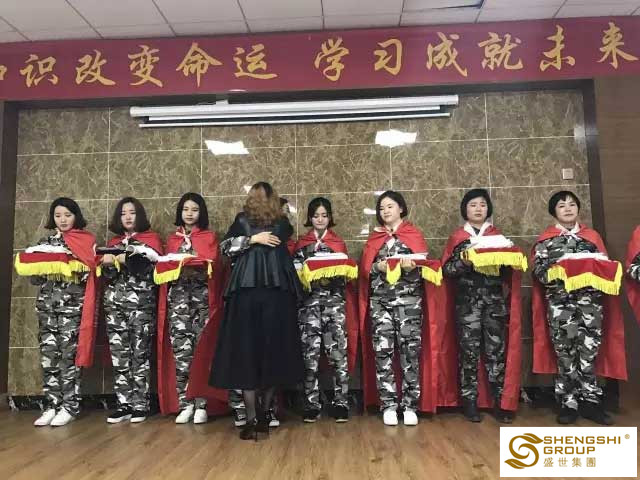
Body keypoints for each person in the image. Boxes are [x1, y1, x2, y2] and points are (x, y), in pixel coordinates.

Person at [210, 182, 304, 440]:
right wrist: (253, 239)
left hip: (264, 292)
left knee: (266, 350)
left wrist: (249, 239)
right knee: (252, 351)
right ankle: (257, 416)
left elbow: (277, 234)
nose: (260, 199)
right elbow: (224, 249)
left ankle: (258, 416)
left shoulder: (279, 222)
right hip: (256, 292)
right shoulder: (247, 221)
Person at [532, 191, 626, 425]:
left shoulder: (592, 237)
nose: (567, 209)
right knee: (565, 353)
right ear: (554, 211)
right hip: (561, 307)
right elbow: (539, 273)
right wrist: (562, 269)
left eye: (572, 204)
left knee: (589, 353)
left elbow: (604, 269)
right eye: (562, 205)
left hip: (590, 306)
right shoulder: (546, 241)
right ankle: (568, 402)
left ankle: (590, 401)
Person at [441, 189, 521, 423]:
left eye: (482, 204)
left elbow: (508, 272)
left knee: (496, 352)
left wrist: (508, 256)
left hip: (494, 304)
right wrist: (465, 261)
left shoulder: (498, 237)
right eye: (473, 205)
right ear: (465, 210)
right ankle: (470, 402)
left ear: (488, 209)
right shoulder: (458, 238)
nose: (478, 209)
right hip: (467, 305)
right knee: (469, 353)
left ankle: (500, 402)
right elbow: (447, 270)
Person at [101, 197, 162, 424]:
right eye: (123, 213)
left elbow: (154, 272)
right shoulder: (113, 242)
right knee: (120, 356)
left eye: (132, 212)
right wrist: (107, 263)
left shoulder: (150, 241)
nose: (127, 217)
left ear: (140, 216)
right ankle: (124, 404)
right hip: (114, 305)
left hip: (141, 306)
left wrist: (128, 259)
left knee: (140, 354)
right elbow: (107, 276)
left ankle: (141, 404)